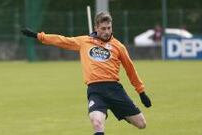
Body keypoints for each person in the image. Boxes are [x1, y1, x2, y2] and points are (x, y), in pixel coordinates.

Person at [22, 11, 152, 135]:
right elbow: (62, 40)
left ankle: (122, 113)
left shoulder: (119, 47)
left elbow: (130, 69)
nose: (107, 32)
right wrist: (38, 36)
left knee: (141, 124)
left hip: (115, 90)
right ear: (96, 27)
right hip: (95, 91)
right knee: (96, 122)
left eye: (109, 28)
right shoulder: (85, 41)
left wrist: (141, 92)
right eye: (103, 28)